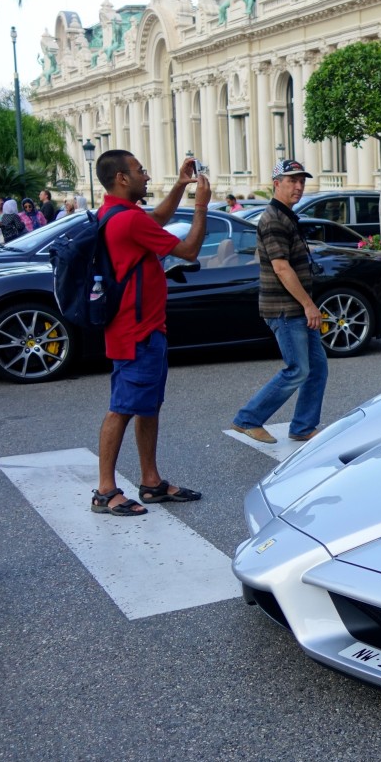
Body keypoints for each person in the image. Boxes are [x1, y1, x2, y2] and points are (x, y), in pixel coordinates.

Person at [93, 152, 211, 516]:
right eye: (140, 171)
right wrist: (201, 206)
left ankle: (151, 481)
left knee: (147, 406)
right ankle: (105, 491)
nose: (146, 176)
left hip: (140, 327)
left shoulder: (114, 213)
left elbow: (158, 218)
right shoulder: (127, 220)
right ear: (122, 179)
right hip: (137, 330)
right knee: (122, 409)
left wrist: (179, 185)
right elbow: (189, 251)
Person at [231, 160, 328, 445]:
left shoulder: (285, 216)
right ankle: (247, 419)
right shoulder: (274, 219)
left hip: (297, 308)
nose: (298, 186)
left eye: (301, 181)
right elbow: (281, 268)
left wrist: (308, 305)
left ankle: (302, 426)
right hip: (286, 310)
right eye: (291, 181)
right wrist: (309, 305)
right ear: (277, 184)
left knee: (317, 368)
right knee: (297, 369)